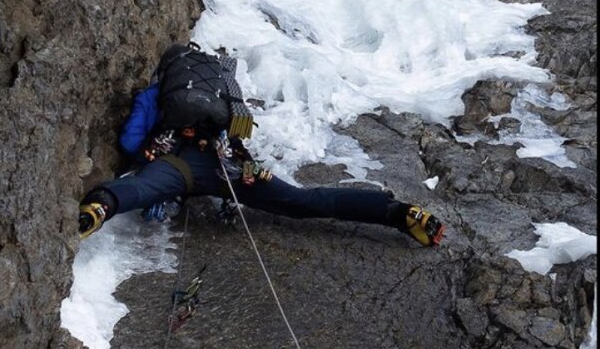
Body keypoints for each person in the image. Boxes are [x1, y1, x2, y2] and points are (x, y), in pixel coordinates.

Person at [79, 44, 445, 247]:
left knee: (144, 188)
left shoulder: (157, 93)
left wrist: (152, 149)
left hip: (178, 165)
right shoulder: (222, 95)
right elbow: (237, 135)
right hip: (228, 164)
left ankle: (99, 207)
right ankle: (398, 213)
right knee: (302, 202)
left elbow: (129, 143)